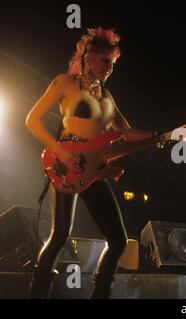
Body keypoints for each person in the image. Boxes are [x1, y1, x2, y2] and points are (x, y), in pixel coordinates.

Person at [25, 27, 154, 298]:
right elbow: (32, 120)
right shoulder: (65, 82)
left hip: (93, 171)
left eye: (114, 63)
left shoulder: (106, 96)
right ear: (89, 56)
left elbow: (128, 134)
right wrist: (61, 152)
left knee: (118, 240)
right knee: (60, 235)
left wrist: (166, 135)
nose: (110, 68)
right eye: (106, 61)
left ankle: (100, 293)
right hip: (65, 165)